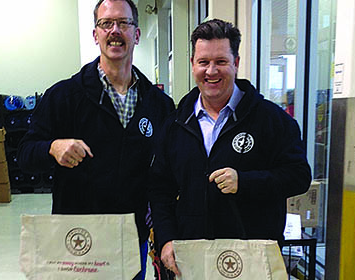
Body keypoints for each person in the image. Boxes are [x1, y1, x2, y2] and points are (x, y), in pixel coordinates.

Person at [17, 0, 175, 278]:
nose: (115, 30)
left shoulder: (158, 104)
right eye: (106, 23)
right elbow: (25, 154)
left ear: (136, 34)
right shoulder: (64, 96)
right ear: (95, 34)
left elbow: (166, 172)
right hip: (78, 238)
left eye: (124, 23)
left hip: (131, 238)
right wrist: (52, 148)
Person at [148, 19, 312, 275]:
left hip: (252, 258)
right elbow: (160, 189)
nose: (211, 71)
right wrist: (166, 239)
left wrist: (245, 182)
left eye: (221, 62)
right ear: (193, 65)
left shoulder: (272, 121)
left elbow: (299, 177)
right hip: (192, 258)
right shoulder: (175, 124)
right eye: (203, 62)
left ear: (236, 63)